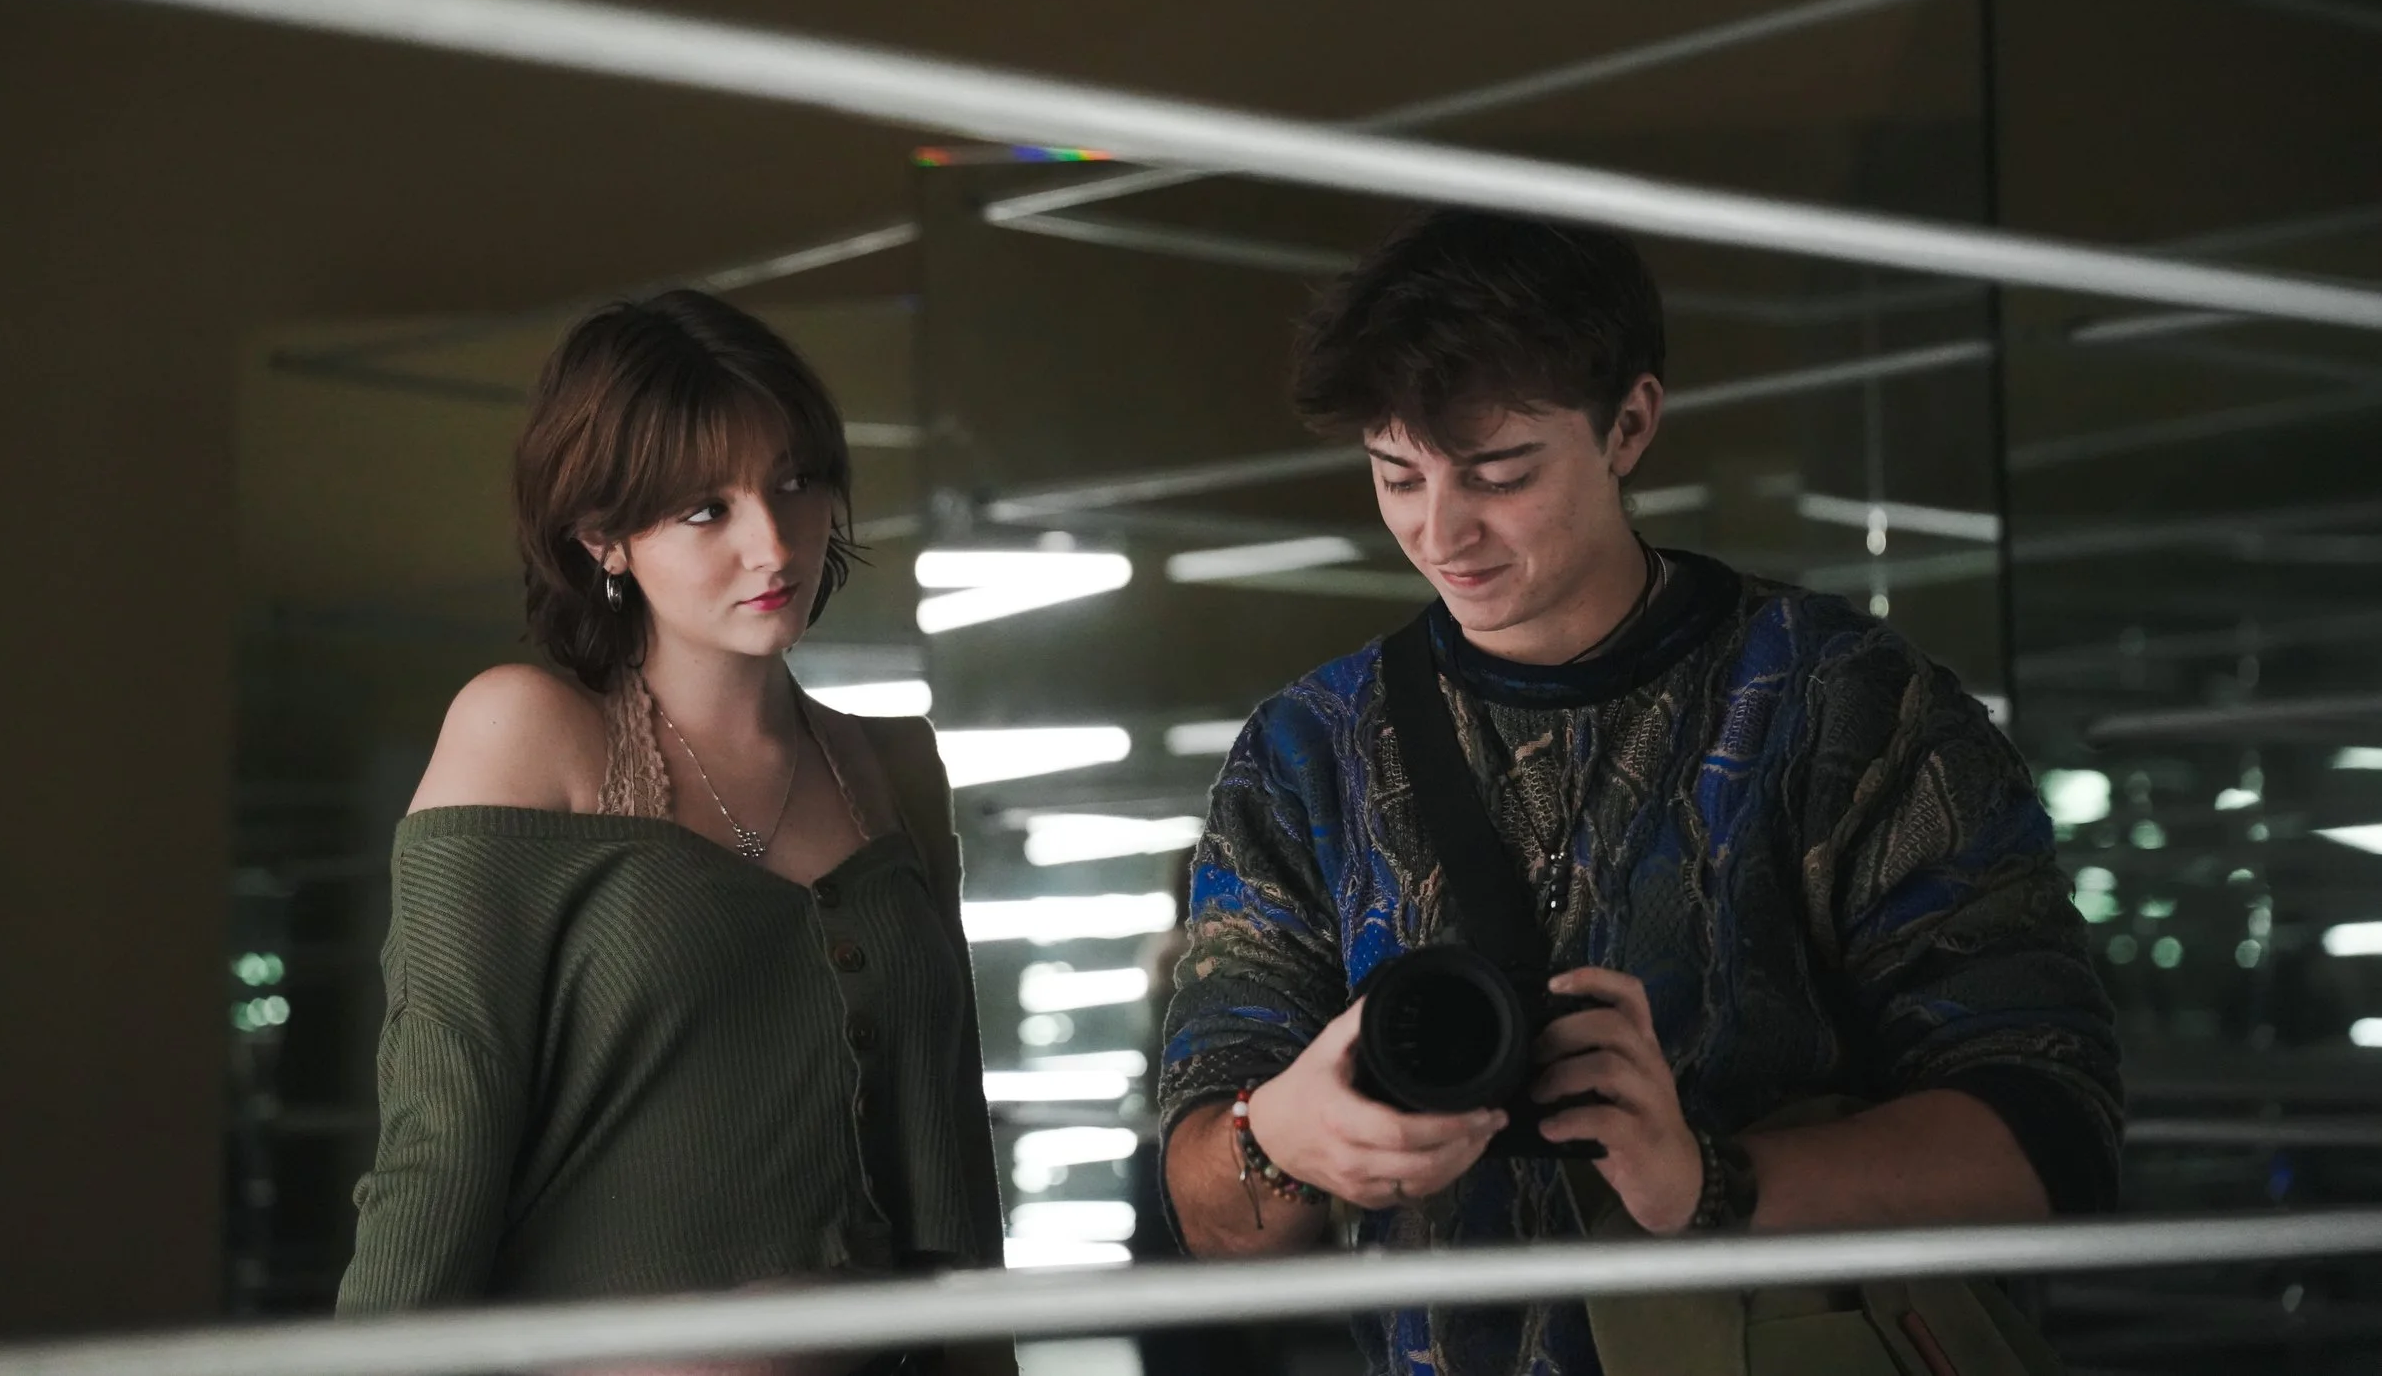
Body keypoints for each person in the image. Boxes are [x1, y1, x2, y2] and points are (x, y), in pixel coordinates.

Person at [1157, 211, 2121, 1376]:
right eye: (1394, 472)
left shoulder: (1847, 704)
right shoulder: (1308, 750)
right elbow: (1210, 1215)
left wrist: (1711, 1178)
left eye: (1499, 471)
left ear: (1629, 425)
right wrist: (1282, 1139)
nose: (1439, 528)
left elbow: (2053, 1126)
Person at [337, 290, 1007, 1376]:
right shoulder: (526, 729)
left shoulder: (893, 768)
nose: (771, 537)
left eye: (795, 479)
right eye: (705, 508)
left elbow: (955, 1179)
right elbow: (441, 1134)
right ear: (603, 537)